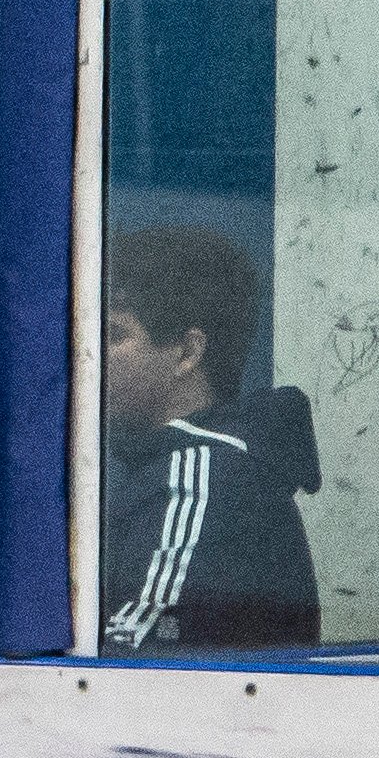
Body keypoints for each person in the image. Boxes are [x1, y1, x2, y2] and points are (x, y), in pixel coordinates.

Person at [98, 224, 322, 651]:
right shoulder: (196, 467)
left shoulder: (200, 476)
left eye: (114, 334)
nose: (87, 352)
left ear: (187, 352)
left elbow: (126, 655)